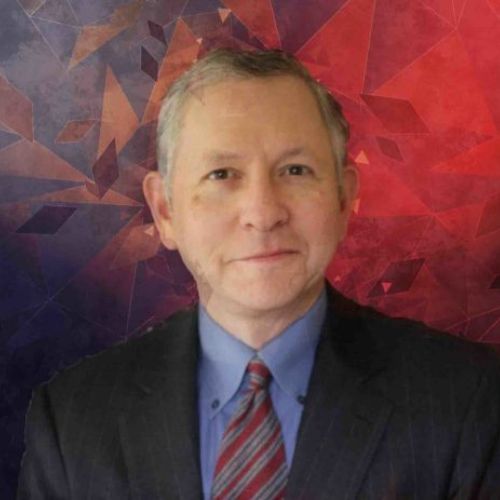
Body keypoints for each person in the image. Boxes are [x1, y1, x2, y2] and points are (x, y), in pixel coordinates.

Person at [17, 48, 500, 500]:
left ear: (343, 198)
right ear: (165, 211)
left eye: (295, 170)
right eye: (222, 174)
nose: (263, 213)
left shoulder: (468, 399)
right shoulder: (72, 421)